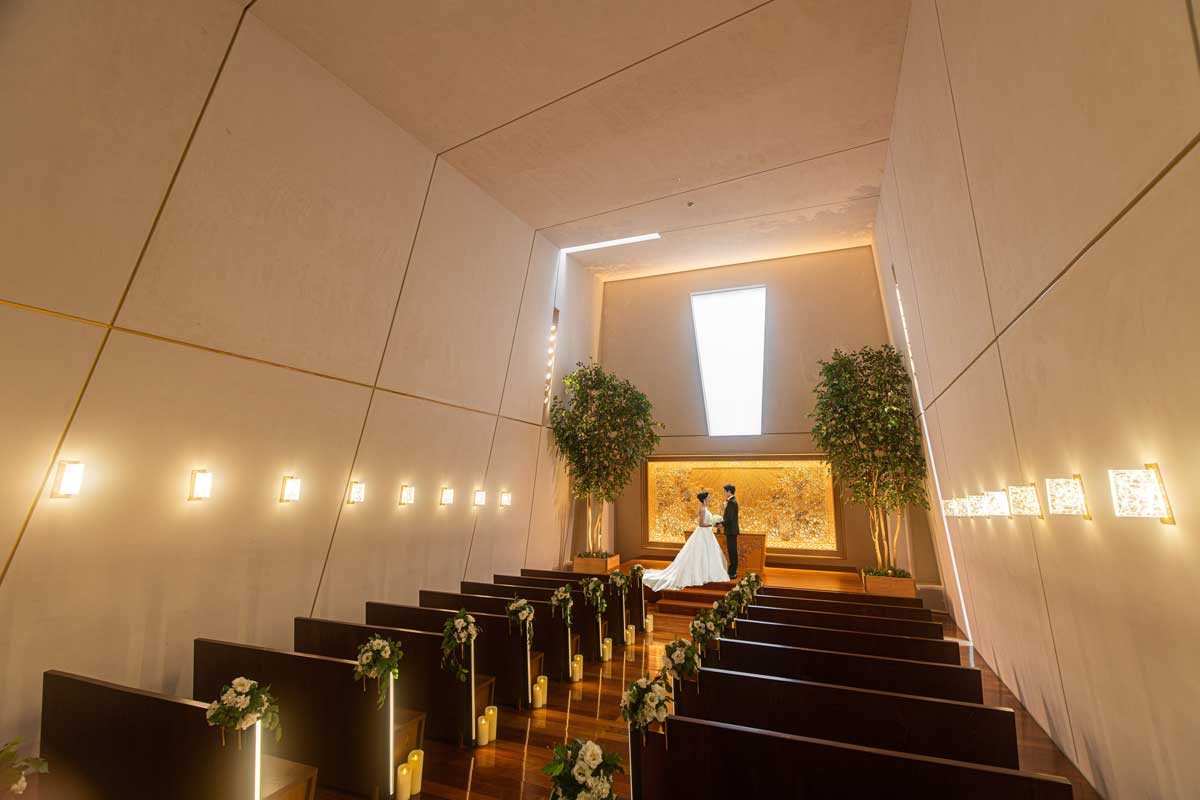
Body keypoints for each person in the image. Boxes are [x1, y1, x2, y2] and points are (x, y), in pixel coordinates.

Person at [641, 491, 730, 591]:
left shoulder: (704, 508)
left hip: (707, 533)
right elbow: (701, 524)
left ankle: (707, 573)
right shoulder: (702, 509)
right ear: (704, 499)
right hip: (703, 533)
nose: (709, 499)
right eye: (708, 497)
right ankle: (700, 574)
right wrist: (713, 524)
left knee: (707, 553)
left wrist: (713, 522)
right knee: (701, 553)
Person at [722, 483, 740, 579]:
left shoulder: (732, 502)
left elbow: (729, 518)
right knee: (731, 551)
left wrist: (720, 523)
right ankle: (732, 571)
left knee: (732, 551)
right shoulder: (732, 501)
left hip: (731, 531)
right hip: (731, 531)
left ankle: (733, 572)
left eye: (725, 491)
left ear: (729, 491)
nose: (724, 493)